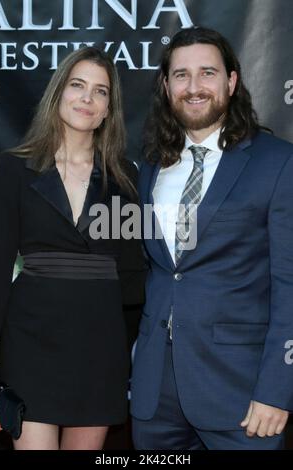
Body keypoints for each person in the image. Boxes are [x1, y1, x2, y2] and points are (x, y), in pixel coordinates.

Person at [130, 26, 293, 450]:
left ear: (232, 81)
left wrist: (277, 388)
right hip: (154, 393)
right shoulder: (150, 165)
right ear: (166, 87)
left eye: (207, 73)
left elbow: (290, 285)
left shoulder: (278, 163)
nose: (194, 87)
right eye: (181, 75)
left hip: (241, 394)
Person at [0, 46, 146, 450]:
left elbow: (133, 275)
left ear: (109, 108)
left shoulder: (126, 178)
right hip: (29, 347)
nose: (87, 99)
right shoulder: (13, 167)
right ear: (58, 92)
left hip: (100, 349)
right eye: (78, 85)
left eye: (101, 91)